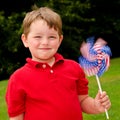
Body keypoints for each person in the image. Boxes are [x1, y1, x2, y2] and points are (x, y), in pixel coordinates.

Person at [5, 7, 111, 120]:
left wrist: (95, 105)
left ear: (60, 40)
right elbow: (16, 117)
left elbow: (82, 101)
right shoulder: (18, 79)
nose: (45, 42)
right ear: (25, 40)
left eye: (51, 37)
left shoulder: (74, 68)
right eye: (37, 37)